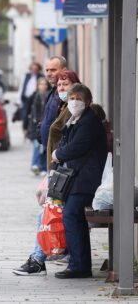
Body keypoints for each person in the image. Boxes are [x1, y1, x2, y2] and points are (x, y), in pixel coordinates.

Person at [13, 69, 80, 276]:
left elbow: (74, 145)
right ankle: (45, 255)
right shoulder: (63, 106)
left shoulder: (76, 111)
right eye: (59, 85)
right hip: (59, 170)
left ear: (75, 86)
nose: (61, 88)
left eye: (65, 84)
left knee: (46, 213)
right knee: (45, 210)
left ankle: (38, 259)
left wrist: (58, 158)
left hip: (69, 175)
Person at [52, 84, 107, 279]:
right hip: (78, 177)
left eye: (79, 98)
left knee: (71, 216)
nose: (74, 101)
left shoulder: (89, 121)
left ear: (88, 102)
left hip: (86, 179)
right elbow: (67, 141)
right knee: (74, 218)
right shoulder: (74, 119)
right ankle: (78, 263)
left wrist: (57, 154)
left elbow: (77, 147)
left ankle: (79, 266)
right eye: (72, 97)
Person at [38, 56, 68, 146]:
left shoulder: (68, 93)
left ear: (64, 70)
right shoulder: (52, 91)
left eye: (53, 70)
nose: (48, 74)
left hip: (60, 151)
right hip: (49, 148)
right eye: (47, 70)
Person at [23, 77, 50, 175]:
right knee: (36, 145)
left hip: (45, 125)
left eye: (45, 84)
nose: (43, 86)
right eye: (41, 84)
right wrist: (25, 126)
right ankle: (35, 165)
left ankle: (42, 167)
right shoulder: (34, 96)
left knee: (43, 147)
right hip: (35, 126)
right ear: (37, 86)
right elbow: (27, 112)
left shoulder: (50, 96)